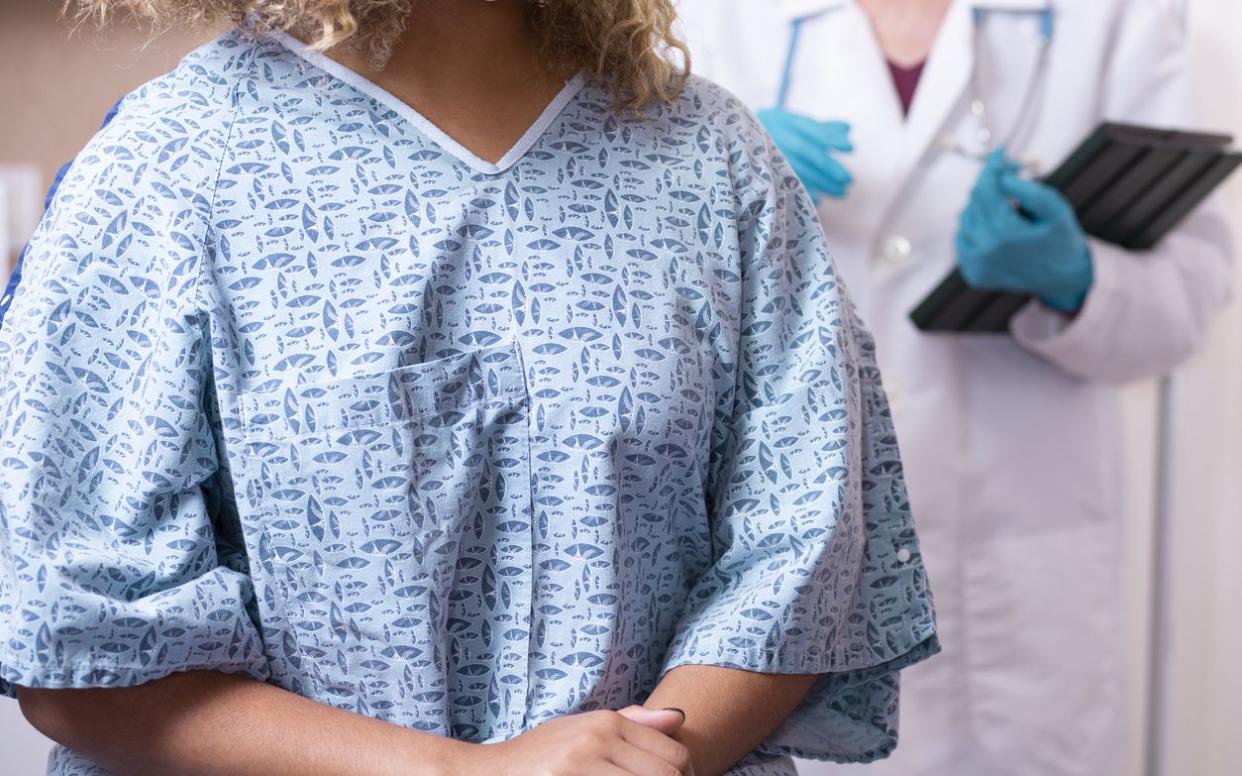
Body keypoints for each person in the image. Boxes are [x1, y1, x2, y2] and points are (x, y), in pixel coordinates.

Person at [0, 1, 938, 775]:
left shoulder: (711, 157)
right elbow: (77, 652)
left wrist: (645, 759)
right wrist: (470, 773)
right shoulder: (168, 169)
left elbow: (806, 554)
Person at [677, 0, 1233, 774]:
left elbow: (1189, 301)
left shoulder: (1112, 17)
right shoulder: (712, 21)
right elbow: (647, 320)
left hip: (1026, 582)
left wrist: (1078, 281)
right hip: (788, 566)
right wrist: (710, 181)